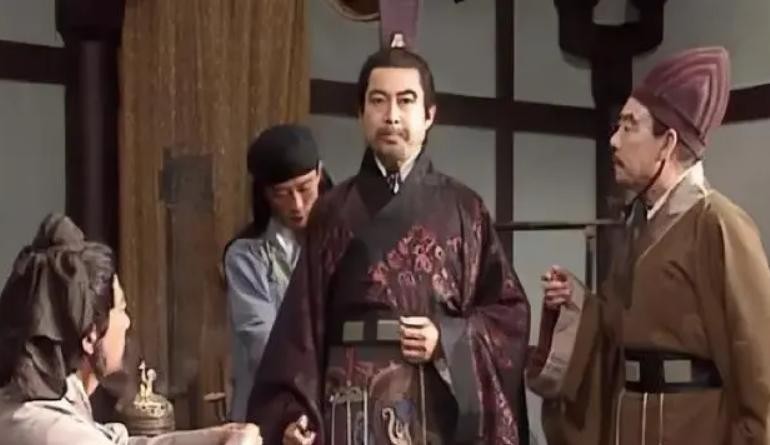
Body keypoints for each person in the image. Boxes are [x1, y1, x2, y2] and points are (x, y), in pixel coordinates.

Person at [247, 43, 531, 445]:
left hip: (433, 403)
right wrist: (295, 412)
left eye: (406, 101)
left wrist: (447, 338)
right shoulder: (332, 211)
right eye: (378, 101)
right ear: (361, 113)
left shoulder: (465, 209)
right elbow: (300, 327)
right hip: (349, 402)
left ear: (429, 115)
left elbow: (509, 314)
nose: (391, 115)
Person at [527, 47, 770, 445]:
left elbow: (758, 365)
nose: (613, 140)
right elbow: (615, 332)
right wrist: (577, 302)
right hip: (629, 423)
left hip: (695, 427)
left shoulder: (719, 224)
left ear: (667, 143)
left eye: (629, 127)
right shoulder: (640, 224)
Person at [0, 214, 262, 445]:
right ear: (91, 335)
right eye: (121, 309)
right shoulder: (48, 430)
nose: (126, 322)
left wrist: (221, 436)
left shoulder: (50, 394)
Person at [224, 124, 332, 421]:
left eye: (304, 189)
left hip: (335, 402)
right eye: (281, 194)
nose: (297, 205)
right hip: (272, 407)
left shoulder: (343, 243)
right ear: (265, 194)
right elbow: (264, 343)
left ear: (319, 174)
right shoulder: (247, 256)